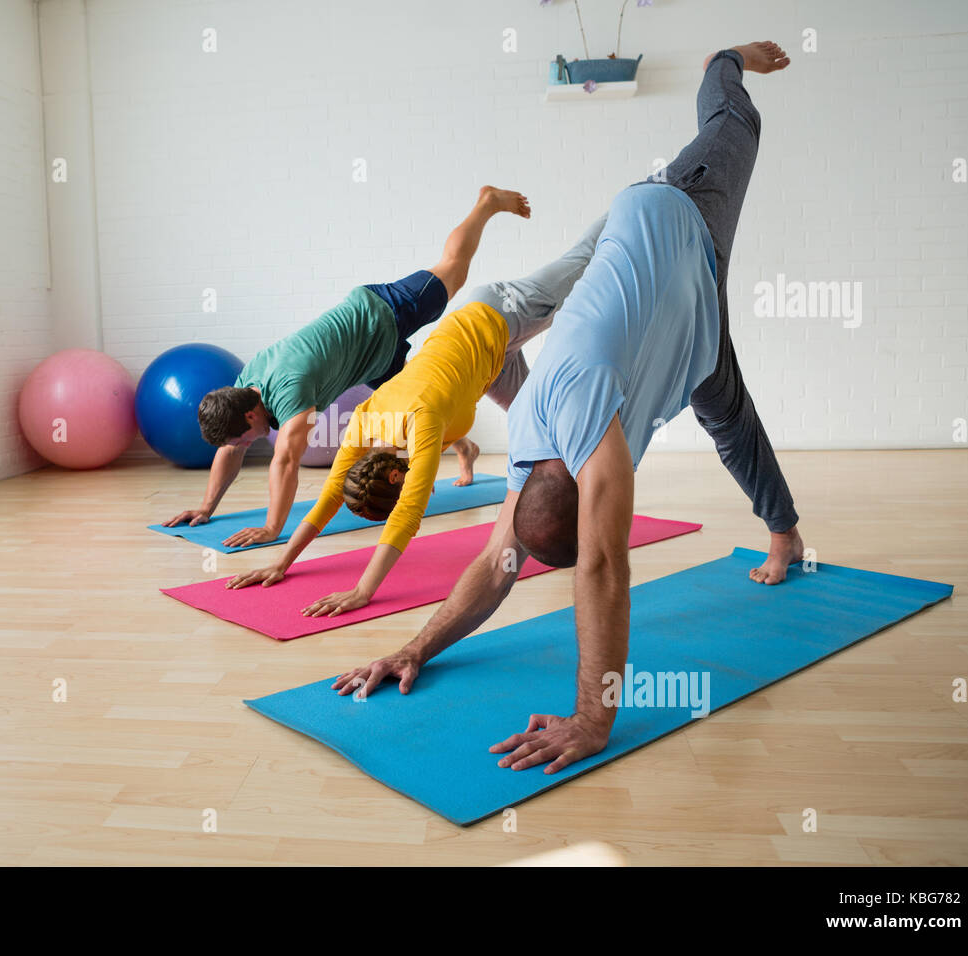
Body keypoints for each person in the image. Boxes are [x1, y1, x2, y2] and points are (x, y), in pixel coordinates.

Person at [332, 41, 798, 777]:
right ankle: (788, 535)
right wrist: (411, 647)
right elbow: (496, 562)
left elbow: (605, 565)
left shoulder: (591, 438)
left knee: (737, 121)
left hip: (676, 205)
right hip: (696, 327)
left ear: (582, 485)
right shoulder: (527, 440)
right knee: (730, 420)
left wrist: (593, 715)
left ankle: (725, 59)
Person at [224, 212, 609, 616]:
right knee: (543, 435)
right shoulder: (365, 420)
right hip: (490, 365)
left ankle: (633, 201)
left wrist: (363, 591)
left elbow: (407, 515)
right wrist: (281, 562)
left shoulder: (420, 425)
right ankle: (581, 513)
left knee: (581, 262)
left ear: (394, 475)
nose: (402, 496)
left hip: (497, 313)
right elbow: (330, 496)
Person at [162, 186, 531, 548]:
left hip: (382, 315)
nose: (243, 446)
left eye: (241, 438)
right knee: (413, 414)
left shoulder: (291, 392)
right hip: (371, 363)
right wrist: (206, 507)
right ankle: (464, 448)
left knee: (453, 269)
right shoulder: (244, 390)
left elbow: (287, 461)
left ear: (247, 417)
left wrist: (273, 528)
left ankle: (486, 204)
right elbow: (231, 449)